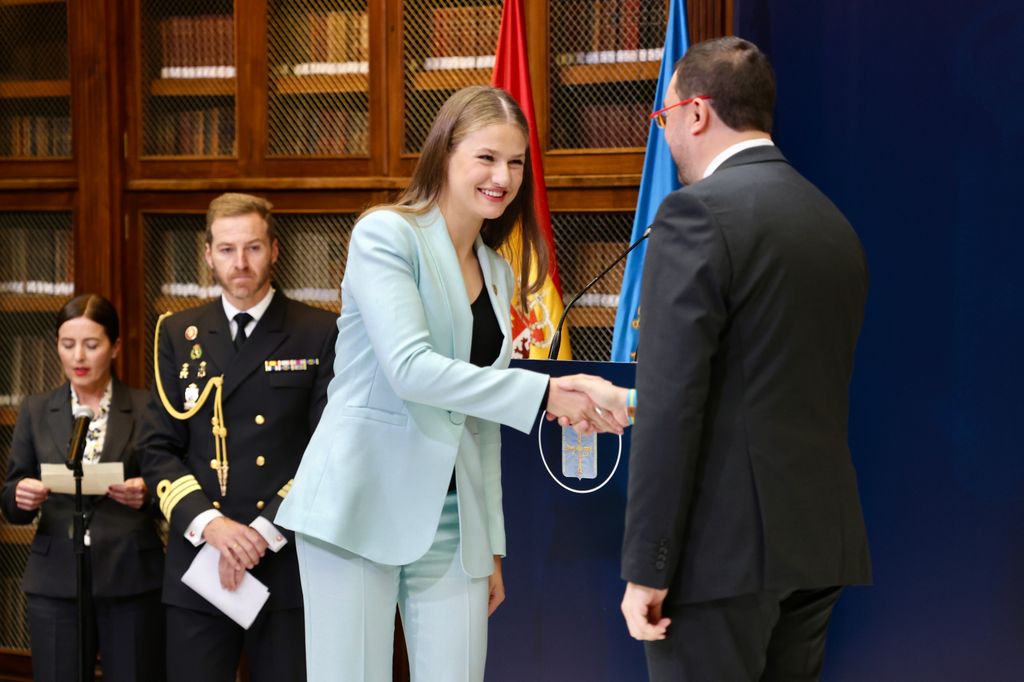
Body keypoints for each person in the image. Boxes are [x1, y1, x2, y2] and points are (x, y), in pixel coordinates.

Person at [274, 85, 625, 682]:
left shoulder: (497, 268)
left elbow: (477, 422)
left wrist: (488, 541)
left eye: (515, 162)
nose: (503, 176)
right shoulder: (386, 235)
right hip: (359, 503)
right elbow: (410, 369)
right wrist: (544, 393)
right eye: (486, 157)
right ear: (445, 153)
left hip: (455, 522)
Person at [607, 37, 872, 681]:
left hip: (719, 561)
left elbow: (675, 405)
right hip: (816, 548)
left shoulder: (695, 213)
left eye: (663, 118)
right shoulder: (830, 220)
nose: (665, 135)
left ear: (696, 113)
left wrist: (647, 564)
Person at [137, 193, 338, 682]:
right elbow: (158, 449)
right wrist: (215, 529)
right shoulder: (177, 332)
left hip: (285, 557)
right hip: (200, 561)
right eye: (227, 250)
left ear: (274, 249)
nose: (240, 263)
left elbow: (328, 450)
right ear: (207, 254)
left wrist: (259, 536)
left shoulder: (319, 331)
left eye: (252, 248)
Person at [0, 294, 165, 682]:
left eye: (92, 345)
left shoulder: (146, 408)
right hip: (55, 578)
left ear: (116, 347)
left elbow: (170, 484)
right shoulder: (37, 410)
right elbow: (10, 497)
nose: (79, 357)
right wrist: (21, 494)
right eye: (67, 344)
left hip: (130, 576)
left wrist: (148, 493)